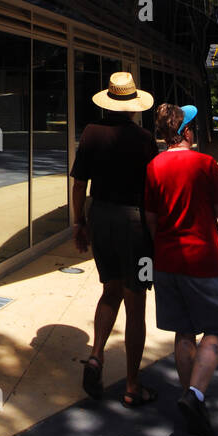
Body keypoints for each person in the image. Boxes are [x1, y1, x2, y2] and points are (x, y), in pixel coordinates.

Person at [145, 103, 218, 436]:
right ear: (187, 132)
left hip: (167, 262)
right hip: (203, 261)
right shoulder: (205, 164)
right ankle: (196, 395)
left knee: (184, 331)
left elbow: (151, 219)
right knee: (217, 328)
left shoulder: (154, 167)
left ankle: (191, 398)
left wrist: (159, 248)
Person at [71, 71, 158, 408]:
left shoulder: (91, 133)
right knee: (136, 302)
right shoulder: (144, 139)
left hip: (101, 217)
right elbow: (153, 190)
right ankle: (133, 386)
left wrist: (79, 221)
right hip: (135, 224)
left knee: (109, 290)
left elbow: (79, 184)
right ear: (134, 105)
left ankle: (96, 357)